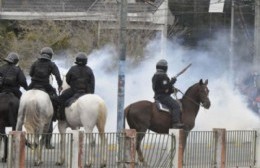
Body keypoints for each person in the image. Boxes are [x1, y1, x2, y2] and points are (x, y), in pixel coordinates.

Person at [28, 47, 63, 149]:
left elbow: (30, 74)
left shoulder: (35, 62)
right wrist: (60, 86)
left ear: (41, 53)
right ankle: (54, 116)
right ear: (50, 56)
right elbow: (57, 77)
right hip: (45, 86)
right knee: (55, 100)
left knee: (23, 97)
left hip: (33, 84)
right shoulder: (52, 64)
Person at [56, 52, 95, 120]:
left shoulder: (73, 68)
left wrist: (73, 85)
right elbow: (92, 83)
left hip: (73, 91)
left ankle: (62, 117)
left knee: (60, 98)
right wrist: (90, 94)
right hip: (86, 92)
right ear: (86, 61)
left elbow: (67, 80)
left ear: (77, 60)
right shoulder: (89, 70)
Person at [152, 59, 184, 128]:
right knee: (176, 106)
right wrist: (172, 81)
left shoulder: (155, 75)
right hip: (163, 97)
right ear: (165, 67)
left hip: (158, 95)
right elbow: (165, 87)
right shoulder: (163, 76)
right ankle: (175, 123)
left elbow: (165, 88)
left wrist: (172, 89)